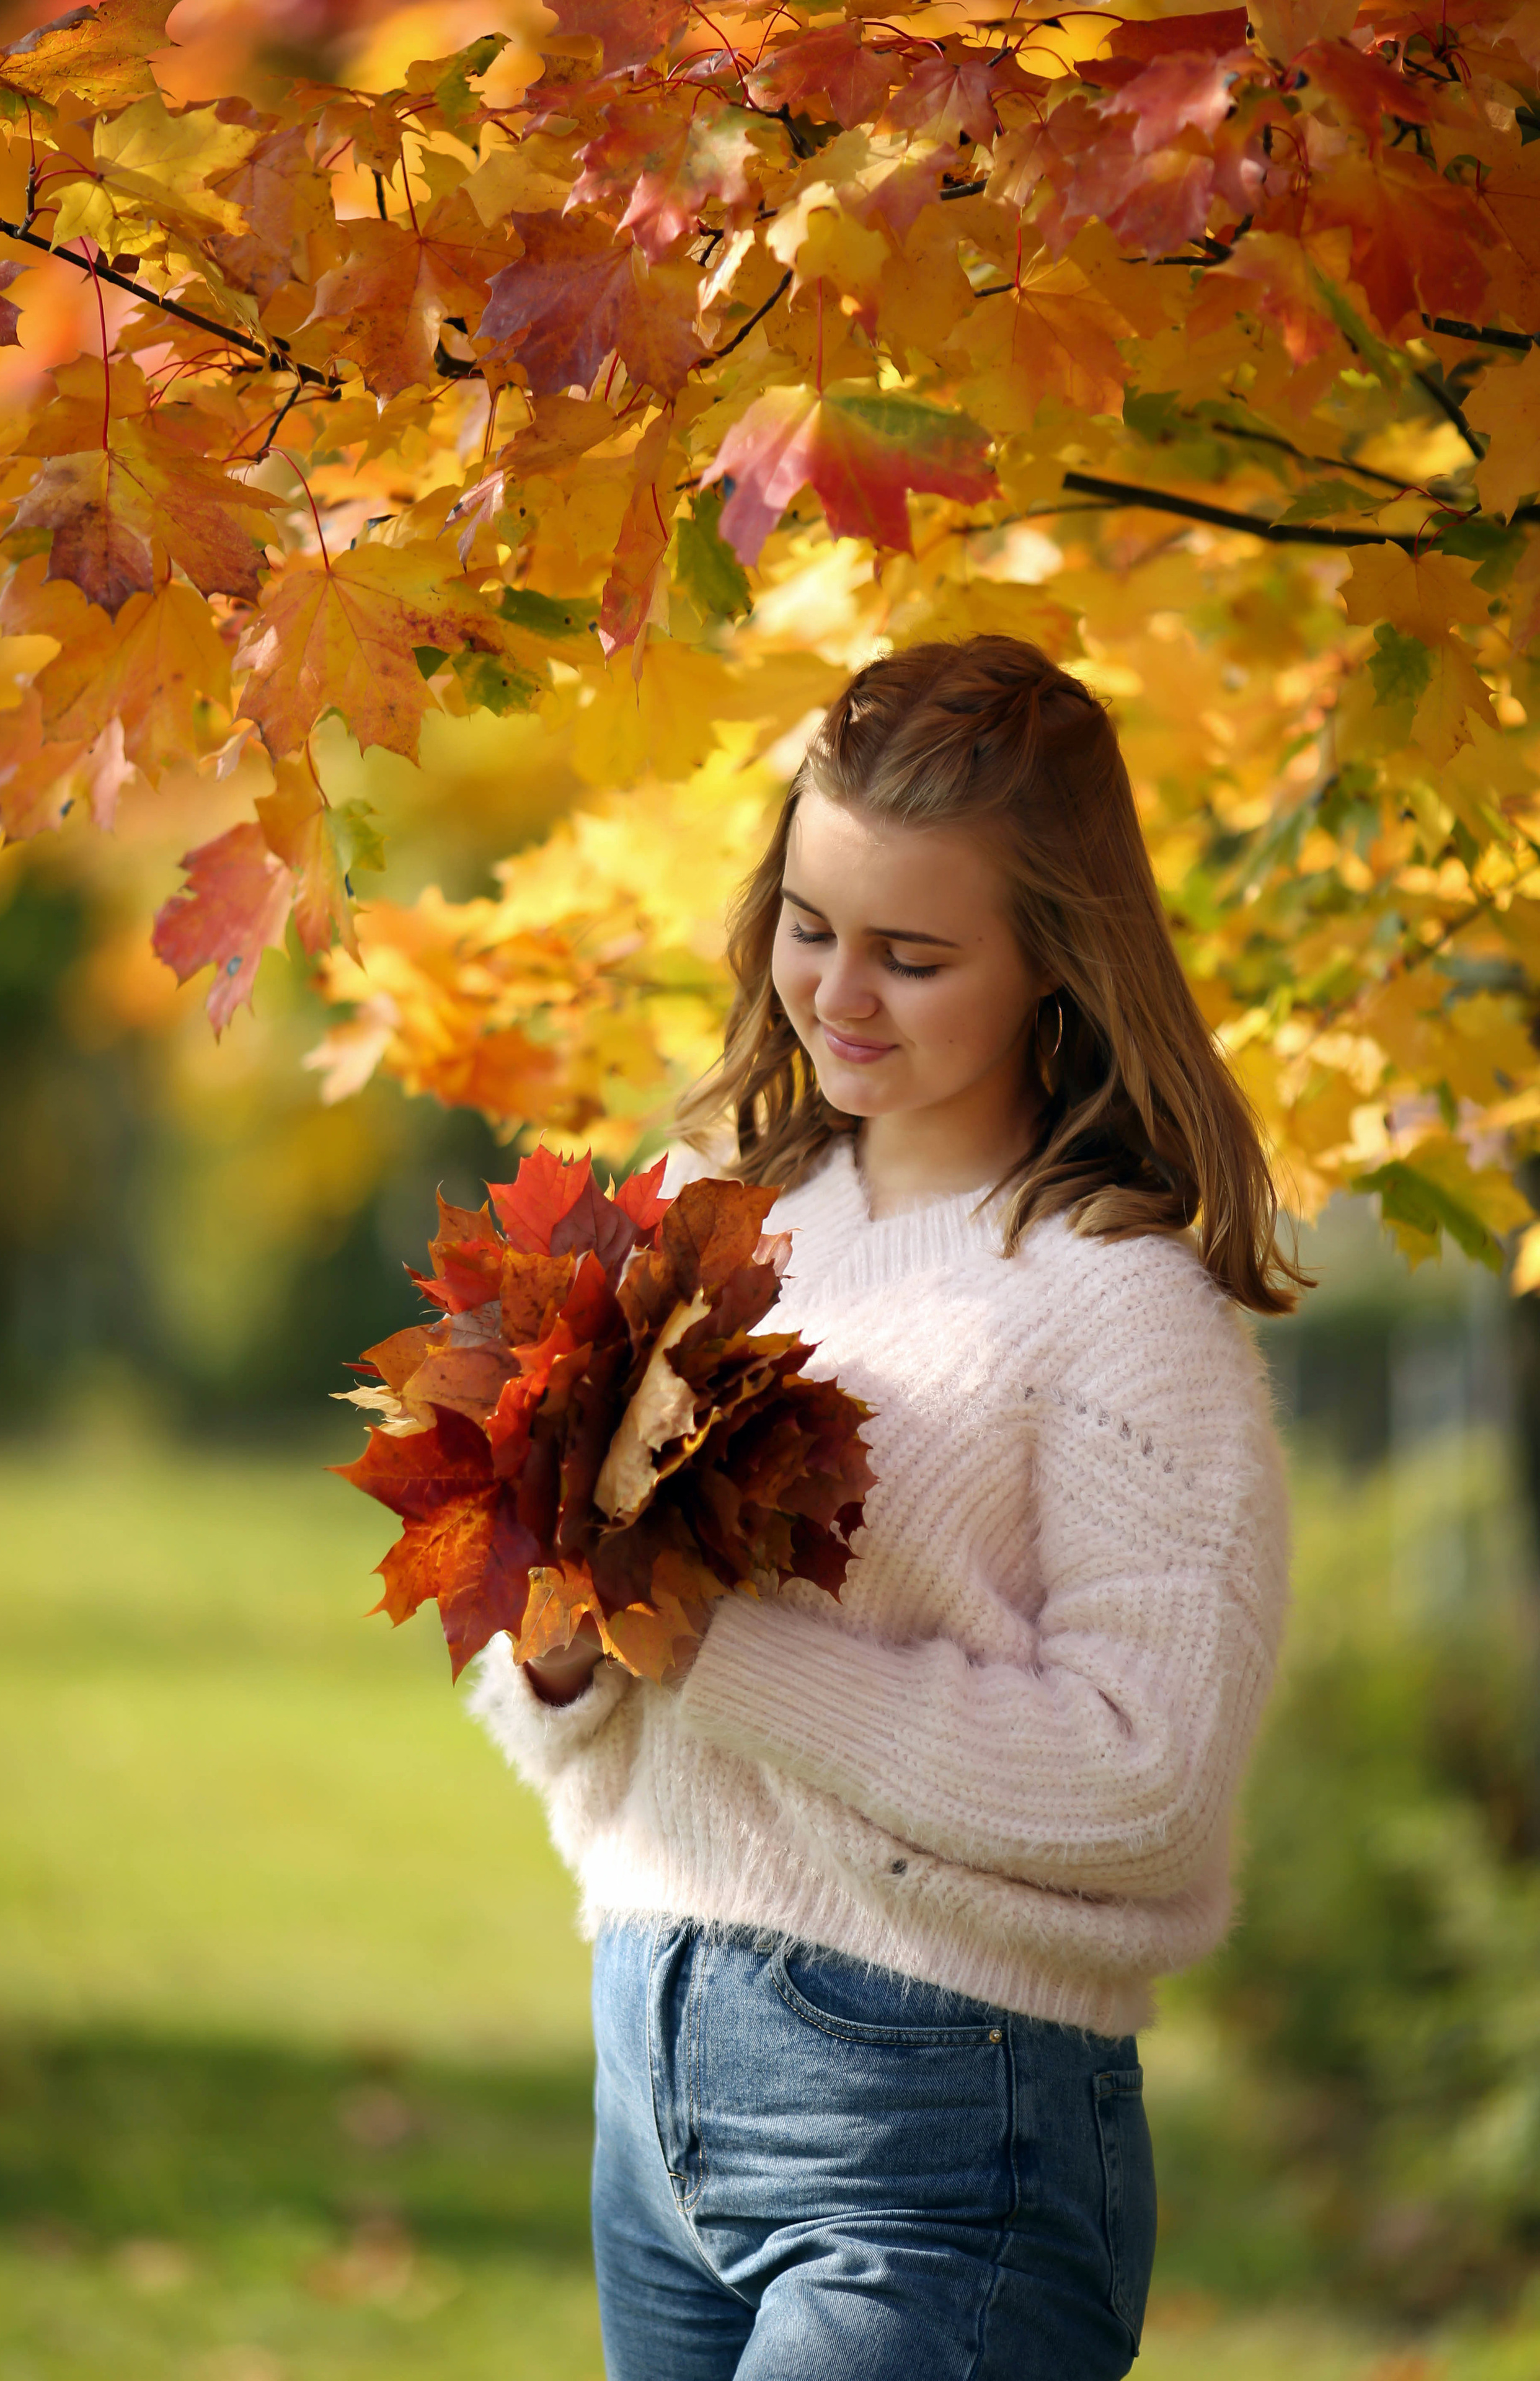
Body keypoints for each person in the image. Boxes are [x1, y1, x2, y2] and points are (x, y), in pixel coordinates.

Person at [470, 635, 1302, 2380]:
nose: (839, 994)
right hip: (655, 2081)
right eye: (812, 926)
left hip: (941, 2129)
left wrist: (708, 1648)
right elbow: (580, 1687)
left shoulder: (1117, 1305)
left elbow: (1145, 1782)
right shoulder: (714, 1210)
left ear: (1051, 963)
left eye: (914, 957)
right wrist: (556, 1652)